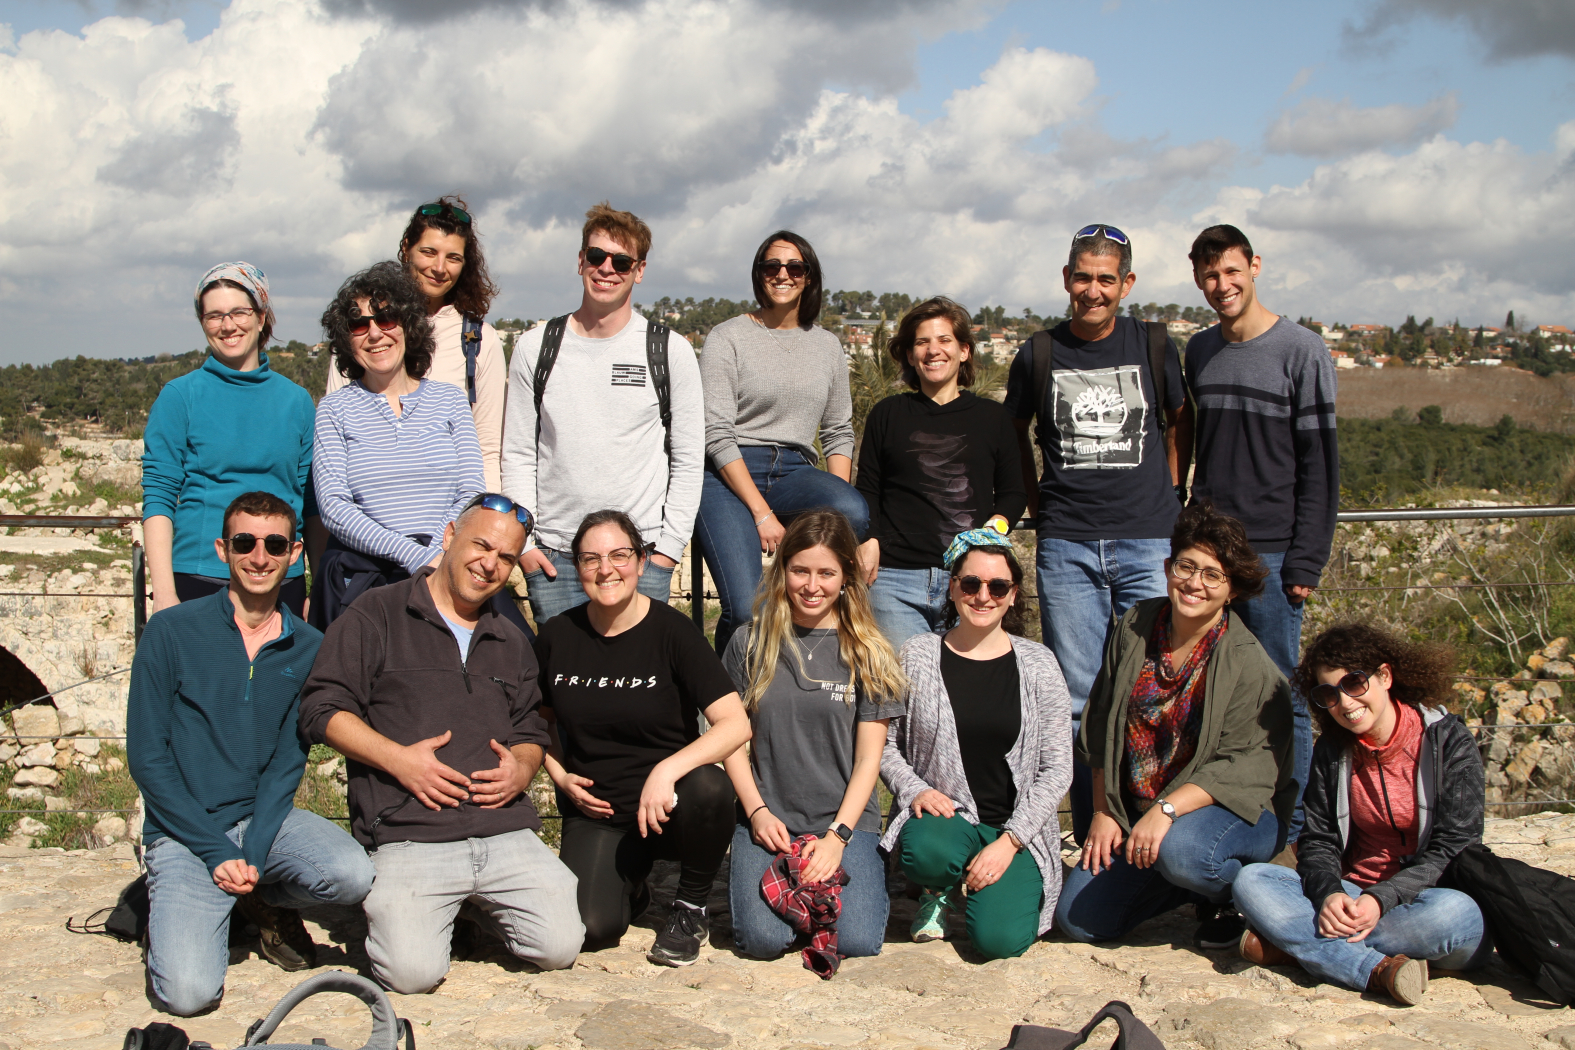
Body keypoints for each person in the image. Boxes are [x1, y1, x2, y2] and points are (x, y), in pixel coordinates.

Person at [298, 494, 582, 993]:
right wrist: (399, 761)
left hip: (500, 828)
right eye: (481, 546)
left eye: (506, 557)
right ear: (449, 536)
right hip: (410, 832)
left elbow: (530, 729)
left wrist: (521, 768)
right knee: (412, 975)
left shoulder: (511, 639)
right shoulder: (376, 613)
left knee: (559, 947)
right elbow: (322, 709)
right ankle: (434, 910)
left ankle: (466, 906)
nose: (490, 564)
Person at [128, 491, 372, 1016]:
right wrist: (216, 853)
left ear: (295, 553)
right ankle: (178, 900)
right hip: (184, 829)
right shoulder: (171, 631)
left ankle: (253, 899)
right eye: (245, 543)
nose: (260, 557)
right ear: (223, 549)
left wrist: (254, 856)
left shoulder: (308, 645)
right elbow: (147, 757)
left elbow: (288, 760)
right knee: (189, 996)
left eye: (275, 545)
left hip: (261, 821)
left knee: (352, 875)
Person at [1001, 224, 1193, 846]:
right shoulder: (1038, 353)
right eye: (1083, 277)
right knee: (1081, 701)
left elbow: (1179, 421)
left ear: (1127, 283)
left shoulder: (1154, 344)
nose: (1093, 290)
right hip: (1068, 546)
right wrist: (1039, 506)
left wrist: (1170, 493)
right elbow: (1012, 434)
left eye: (1106, 279)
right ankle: (1093, 838)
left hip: (1148, 541)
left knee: (1156, 692)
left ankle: (1155, 838)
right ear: (1066, 279)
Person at [1056, 501, 1294, 948]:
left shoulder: (1247, 664)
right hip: (1146, 813)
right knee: (1080, 920)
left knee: (1185, 853)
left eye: (1213, 575)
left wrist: (1165, 811)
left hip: (1237, 810)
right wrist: (1105, 811)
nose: (1195, 583)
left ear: (1231, 590)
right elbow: (1101, 721)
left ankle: (1238, 891)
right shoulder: (1136, 625)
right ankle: (1184, 882)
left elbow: (1241, 767)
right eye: (1187, 566)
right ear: (1168, 568)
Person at [534, 510, 751, 966]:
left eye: (619, 555)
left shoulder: (673, 631)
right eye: (591, 559)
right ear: (577, 566)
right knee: (592, 928)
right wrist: (560, 775)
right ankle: (631, 886)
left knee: (711, 786)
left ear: (641, 560)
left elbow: (735, 724)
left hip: (672, 806)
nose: (606, 569)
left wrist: (667, 770)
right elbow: (537, 721)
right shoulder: (558, 635)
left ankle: (690, 907)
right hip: (600, 811)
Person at [1233, 624, 1488, 1006]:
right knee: (1252, 880)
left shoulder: (1448, 741)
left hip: (1429, 899)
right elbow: (1320, 840)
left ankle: (1297, 947)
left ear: (1385, 676)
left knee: (1454, 914)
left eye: (1353, 683)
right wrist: (1329, 893)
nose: (1344, 702)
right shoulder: (1332, 750)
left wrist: (1381, 900)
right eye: (1329, 694)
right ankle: (1376, 970)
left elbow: (1457, 846)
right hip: (1353, 894)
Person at [1185, 224, 1340, 847]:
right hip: (1210, 552)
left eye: (1231, 271)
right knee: (1212, 690)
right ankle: (1227, 818)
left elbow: (1321, 465)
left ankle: (1293, 831)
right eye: (1210, 275)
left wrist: (1307, 559)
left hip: (1274, 554)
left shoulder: (1302, 350)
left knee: (1282, 695)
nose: (1221, 284)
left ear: (1254, 266)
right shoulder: (1200, 350)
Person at [502, 202, 704, 624]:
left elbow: (688, 459)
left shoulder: (669, 351)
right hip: (556, 558)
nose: (607, 268)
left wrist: (667, 552)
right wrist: (525, 546)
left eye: (621, 261)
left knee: (639, 667)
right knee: (562, 668)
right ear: (581, 261)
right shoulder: (536, 347)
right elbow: (518, 453)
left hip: (639, 558)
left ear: (639, 270)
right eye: (597, 256)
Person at [721, 510, 907, 962]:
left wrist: (837, 838)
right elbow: (731, 742)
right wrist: (757, 813)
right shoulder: (749, 643)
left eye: (826, 573)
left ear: (846, 578)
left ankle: (812, 900)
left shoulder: (869, 652)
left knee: (858, 942)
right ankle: (805, 903)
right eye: (800, 570)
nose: (811, 585)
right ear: (782, 570)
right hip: (769, 821)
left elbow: (869, 760)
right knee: (762, 942)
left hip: (843, 823)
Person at [881, 528, 1074, 961]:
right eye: (971, 584)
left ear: (1013, 594)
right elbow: (886, 745)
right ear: (952, 588)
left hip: (1015, 828)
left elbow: (1058, 767)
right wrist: (915, 789)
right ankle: (937, 889)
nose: (983, 596)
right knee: (929, 853)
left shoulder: (1039, 664)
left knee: (998, 942)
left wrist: (1011, 841)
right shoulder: (918, 654)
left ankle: (990, 880)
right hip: (947, 821)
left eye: (997, 586)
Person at [696, 230, 868, 656]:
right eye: (772, 266)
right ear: (759, 274)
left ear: (809, 276)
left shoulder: (827, 345)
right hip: (728, 473)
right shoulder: (727, 337)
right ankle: (727, 689)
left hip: (794, 472)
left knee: (852, 510)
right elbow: (716, 432)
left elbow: (837, 430)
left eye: (795, 267)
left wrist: (835, 510)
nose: (782, 274)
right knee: (745, 607)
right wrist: (762, 514)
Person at [310, 261, 485, 629]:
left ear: (408, 324)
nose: (375, 333)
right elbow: (334, 507)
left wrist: (438, 552)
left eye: (386, 319)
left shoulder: (451, 400)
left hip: (446, 567)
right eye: (360, 325)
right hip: (368, 582)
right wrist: (412, 555)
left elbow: (471, 490)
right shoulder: (334, 409)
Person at [143, 262, 319, 619]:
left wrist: (318, 591)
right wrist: (164, 593)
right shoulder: (180, 397)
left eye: (239, 312)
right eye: (214, 316)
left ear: (261, 316)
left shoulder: (297, 401)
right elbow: (159, 497)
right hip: (200, 576)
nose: (227, 325)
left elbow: (311, 504)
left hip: (281, 577)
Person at [856, 296, 1026, 648]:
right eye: (922, 342)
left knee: (964, 680)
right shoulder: (887, 414)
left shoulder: (993, 418)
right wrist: (868, 540)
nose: (933, 350)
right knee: (906, 681)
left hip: (971, 585)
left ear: (964, 351)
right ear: (909, 355)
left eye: (944, 340)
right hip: (895, 583)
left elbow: (1013, 494)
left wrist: (991, 532)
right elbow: (868, 489)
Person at [324, 196, 509, 490]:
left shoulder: (480, 341)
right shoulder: (362, 332)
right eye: (428, 252)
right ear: (406, 249)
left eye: (453, 258)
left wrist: (481, 513)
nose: (439, 267)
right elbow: (336, 438)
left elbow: (487, 450)